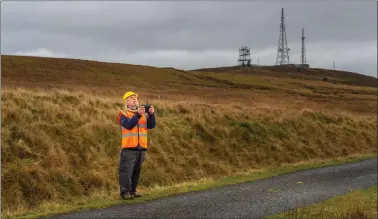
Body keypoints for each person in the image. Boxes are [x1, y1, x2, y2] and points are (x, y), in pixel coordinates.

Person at [117, 91, 156, 200]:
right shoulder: (123, 114)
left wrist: (152, 115)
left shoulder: (144, 115)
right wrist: (138, 114)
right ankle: (125, 193)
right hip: (128, 148)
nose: (135, 99)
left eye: (136, 98)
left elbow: (152, 125)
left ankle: (133, 191)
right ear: (127, 102)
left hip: (141, 148)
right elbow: (129, 125)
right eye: (132, 98)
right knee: (126, 171)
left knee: (136, 171)